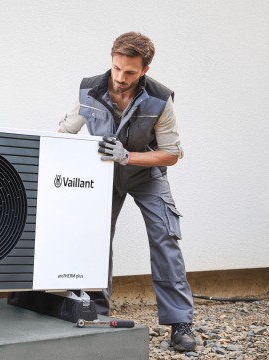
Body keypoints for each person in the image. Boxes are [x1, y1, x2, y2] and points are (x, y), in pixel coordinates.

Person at [58, 32, 197, 351]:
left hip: (146, 174)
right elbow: (64, 132)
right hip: (103, 174)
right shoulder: (89, 89)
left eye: (130, 72)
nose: (120, 78)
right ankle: (95, 315)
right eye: (117, 68)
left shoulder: (160, 99)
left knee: (165, 237)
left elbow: (172, 153)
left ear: (144, 70)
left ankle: (180, 323)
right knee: (95, 239)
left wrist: (129, 156)